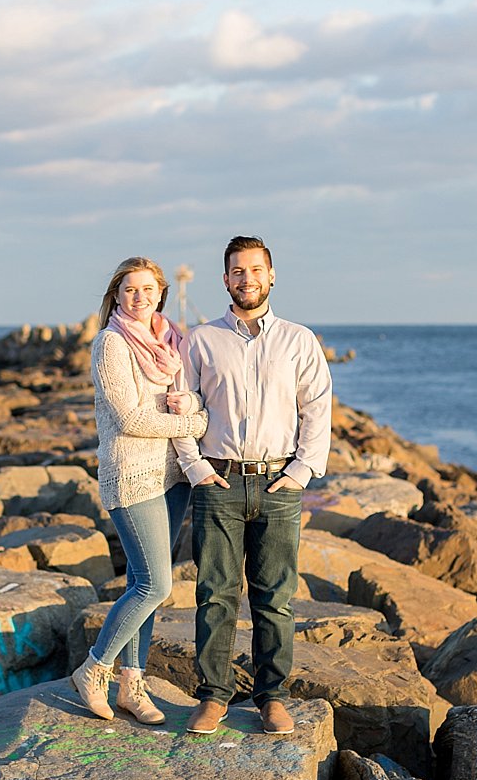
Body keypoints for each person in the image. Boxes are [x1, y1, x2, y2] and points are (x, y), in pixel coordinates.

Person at [169, 236, 332, 734]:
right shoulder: (200, 340)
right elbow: (181, 405)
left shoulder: (298, 340)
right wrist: (195, 468)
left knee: (275, 597)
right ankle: (214, 696)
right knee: (214, 594)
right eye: (237, 271)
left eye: (256, 270)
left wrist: (300, 472)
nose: (247, 279)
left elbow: (317, 407)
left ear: (272, 275)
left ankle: (272, 697)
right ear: (225, 280)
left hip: (278, 483)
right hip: (219, 481)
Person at [69, 256, 209, 724]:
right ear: (117, 293)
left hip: (173, 478)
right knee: (156, 585)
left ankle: (132, 684)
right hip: (131, 476)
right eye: (131, 289)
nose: (140, 297)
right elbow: (131, 418)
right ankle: (94, 669)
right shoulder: (111, 344)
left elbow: (188, 392)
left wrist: (189, 405)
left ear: (161, 294)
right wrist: (196, 421)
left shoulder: (169, 341)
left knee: (139, 582)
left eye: (149, 289)